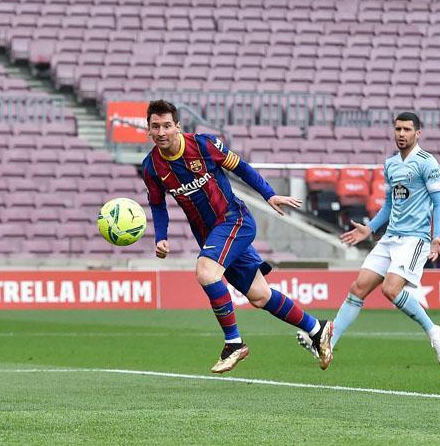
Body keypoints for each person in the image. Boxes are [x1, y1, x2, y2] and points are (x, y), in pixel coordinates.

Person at [141, 100, 334, 374]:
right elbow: (158, 205)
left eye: (167, 125)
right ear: (148, 129)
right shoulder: (151, 167)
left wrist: (269, 194)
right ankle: (317, 329)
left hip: (234, 221)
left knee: (206, 272)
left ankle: (234, 343)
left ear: (178, 126)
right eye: (155, 126)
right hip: (211, 235)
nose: (161, 132)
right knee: (259, 295)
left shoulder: (204, 145)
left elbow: (240, 167)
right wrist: (161, 236)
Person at [302, 112, 440, 363]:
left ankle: (433, 329)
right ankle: (327, 344)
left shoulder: (428, 163)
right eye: (398, 129)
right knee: (357, 289)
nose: (401, 134)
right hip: (391, 237)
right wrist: (370, 229)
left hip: (415, 239)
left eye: (406, 130)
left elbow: (439, 204)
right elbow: (389, 205)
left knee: (390, 289)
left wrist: (436, 237)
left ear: (418, 133)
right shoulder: (391, 164)